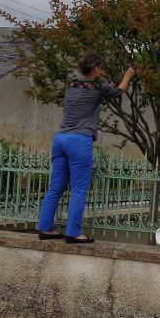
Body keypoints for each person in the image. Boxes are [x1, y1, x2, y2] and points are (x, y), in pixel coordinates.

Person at [36, 54, 135, 244]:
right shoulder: (98, 88)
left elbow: (88, 92)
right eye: (101, 67)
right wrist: (128, 75)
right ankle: (74, 233)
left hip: (60, 139)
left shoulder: (71, 86)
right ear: (96, 69)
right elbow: (119, 91)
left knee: (55, 188)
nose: (102, 70)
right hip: (79, 140)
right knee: (79, 189)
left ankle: (45, 229)